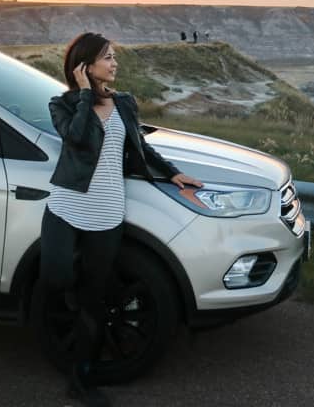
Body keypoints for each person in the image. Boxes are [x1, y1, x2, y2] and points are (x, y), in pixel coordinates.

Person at [44, 32, 201, 406]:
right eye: (108, 57)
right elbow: (77, 139)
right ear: (85, 66)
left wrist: (172, 172)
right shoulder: (62, 104)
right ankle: (67, 315)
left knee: (94, 300)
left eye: (114, 57)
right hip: (67, 207)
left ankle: (81, 378)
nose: (115, 64)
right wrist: (84, 94)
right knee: (58, 276)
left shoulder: (125, 104)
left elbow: (140, 147)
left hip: (107, 211)